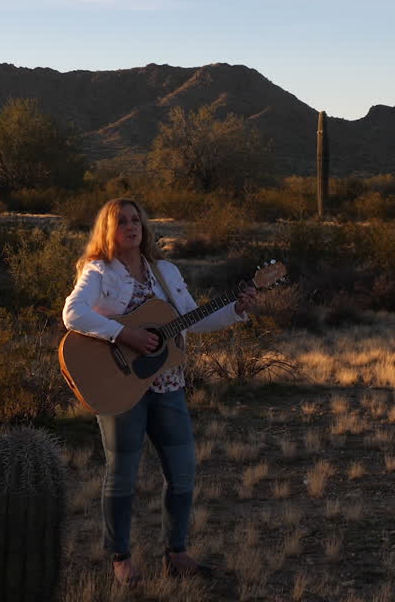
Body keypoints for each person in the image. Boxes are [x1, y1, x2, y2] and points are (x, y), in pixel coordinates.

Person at [62, 197, 257, 585]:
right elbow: (73, 313)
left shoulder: (164, 270)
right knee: (122, 474)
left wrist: (236, 308)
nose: (132, 227)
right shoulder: (98, 271)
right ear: (108, 230)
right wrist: (127, 333)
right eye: (122, 222)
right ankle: (121, 558)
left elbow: (192, 319)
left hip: (168, 384)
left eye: (136, 220)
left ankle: (177, 553)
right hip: (119, 385)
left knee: (183, 471)